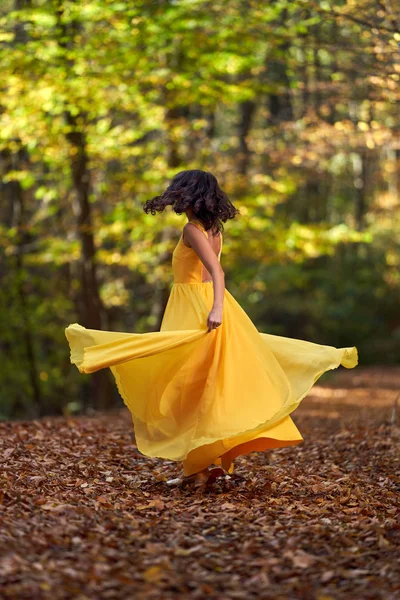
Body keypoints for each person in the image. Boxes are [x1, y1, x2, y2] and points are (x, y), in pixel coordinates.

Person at [65, 169, 358, 486]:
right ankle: (207, 466)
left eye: (178, 193)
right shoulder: (214, 230)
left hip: (197, 308)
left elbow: (216, 272)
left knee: (188, 386)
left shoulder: (192, 230)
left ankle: (200, 467)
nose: (174, 199)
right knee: (207, 386)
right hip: (203, 304)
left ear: (189, 195)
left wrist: (216, 309)